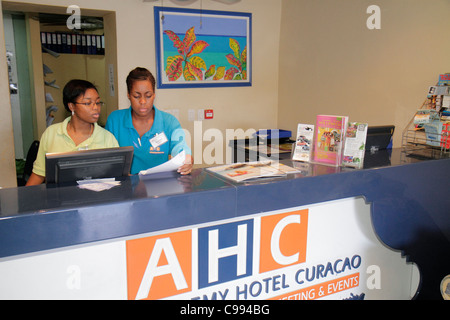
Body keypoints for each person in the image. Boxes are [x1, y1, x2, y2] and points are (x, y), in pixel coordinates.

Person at [26, 79, 119, 186]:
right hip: (58, 199)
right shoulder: (51, 134)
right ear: (71, 106)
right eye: (88, 103)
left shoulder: (107, 138)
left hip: (96, 199)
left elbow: (116, 178)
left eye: (98, 102)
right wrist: (25, 200)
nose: (96, 108)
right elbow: (39, 174)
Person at [105, 67, 193, 175]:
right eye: (136, 96)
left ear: (154, 95)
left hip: (159, 185)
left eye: (148, 96)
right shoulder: (115, 120)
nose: (142, 101)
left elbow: (180, 147)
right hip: (125, 186)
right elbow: (106, 158)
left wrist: (186, 159)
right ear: (128, 95)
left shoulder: (169, 122)